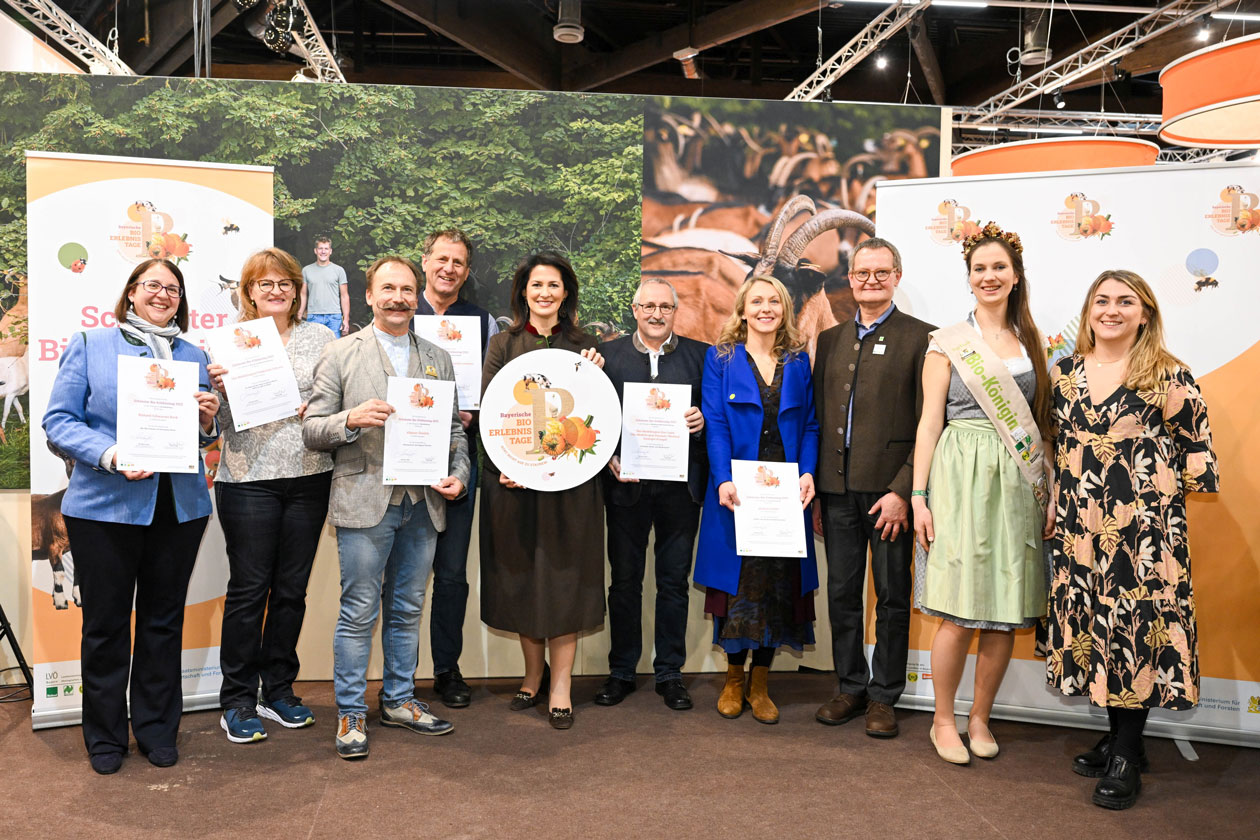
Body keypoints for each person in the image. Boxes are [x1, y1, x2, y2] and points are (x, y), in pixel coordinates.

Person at [1046, 270, 1217, 810]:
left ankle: (1125, 753)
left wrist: (1156, 512)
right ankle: (1125, 738)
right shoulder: (1064, 374)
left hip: (1143, 535)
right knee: (1096, 626)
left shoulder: (1170, 376)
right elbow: (1058, 449)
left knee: (1136, 628)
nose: (1112, 310)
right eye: (1102, 300)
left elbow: (1197, 457)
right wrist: (1055, 501)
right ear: (1088, 309)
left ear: (1145, 313)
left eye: (1125, 301)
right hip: (1079, 528)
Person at [43, 259, 220, 775]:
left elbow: (204, 436)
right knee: (105, 626)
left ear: (181, 299)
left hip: (178, 508)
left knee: (164, 624)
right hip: (103, 508)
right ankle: (104, 737)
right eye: (152, 286)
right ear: (132, 293)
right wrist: (113, 454)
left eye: (172, 287)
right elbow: (58, 421)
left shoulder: (194, 355)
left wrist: (208, 422)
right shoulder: (91, 344)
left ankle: (158, 730)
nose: (162, 294)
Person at [303, 255, 469, 760]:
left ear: (417, 296)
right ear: (370, 296)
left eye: (407, 289)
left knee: (407, 608)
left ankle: (398, 699)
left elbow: (456, 431)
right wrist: (351, 418)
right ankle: (352, 710)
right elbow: (312, 428)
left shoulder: (439, 356)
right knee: (358, 611)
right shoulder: (339, 353)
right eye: (388, 289)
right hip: (364, 500)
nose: (399, 297)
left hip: (423, 504)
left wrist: (459, 476)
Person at [911, 222, 1054, 766]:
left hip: (1018, 480)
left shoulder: (1033, 344)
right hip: (960, 474)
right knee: (960, 608)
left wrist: (1052, 487)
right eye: (979, 269)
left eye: (999, 267)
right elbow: (928, 423)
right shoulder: (947, 343)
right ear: (968, 279)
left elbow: (1041, 426)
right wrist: (919, 495)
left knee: (1006, 604)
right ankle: (943, 720)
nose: (989, 276)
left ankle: (980, 717)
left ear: (1015, 276)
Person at [207, 248, 336, 744]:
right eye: (265, 284)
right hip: (247, 480)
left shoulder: (323, 338)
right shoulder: (226, 345)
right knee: (248, 592)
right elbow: (210, 424)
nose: (276, 291)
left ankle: (278, 689)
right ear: (249, 292)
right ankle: (238, 699)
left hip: (309, 476)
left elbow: (336, 404)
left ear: (298, 291)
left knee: (291, 591)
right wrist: (215, 391)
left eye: (285, 283)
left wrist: (318, 409)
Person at [478, 251, 605, 730]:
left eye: (554, 285)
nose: (545, 293)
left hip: (571, 489)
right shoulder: (502, 344)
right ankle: (532, 678)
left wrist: (595, 370)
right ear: (523, 292)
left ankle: (561, 687)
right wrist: (503, 467)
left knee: (566, 583)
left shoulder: (587, 346)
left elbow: (599, 418)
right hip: (515, 488)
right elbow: (491, 417)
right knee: (524, 582)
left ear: (565, 292)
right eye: (536, 286)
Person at [813, 237, 933, 738]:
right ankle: (849, 686)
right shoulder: (831, 339)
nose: (870, 281)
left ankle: (884, 696)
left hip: (889, 496)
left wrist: (904, 490)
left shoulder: (923, 338)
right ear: (850, 279)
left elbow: (931, 421)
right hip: (837, 493)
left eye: (881, 273)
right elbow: (821, 417)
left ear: (897, 277)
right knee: (841, 594)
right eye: (862, 273)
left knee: (891, 596)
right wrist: (819, 488)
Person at [694, 274, 819, 725]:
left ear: (784, 309)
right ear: (743, 309)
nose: (766, 308)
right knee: (737, 587)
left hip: (785, 496)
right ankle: (732, 679)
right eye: (757, 301)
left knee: (777, 587)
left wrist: (807, 473)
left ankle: (761, 683)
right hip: (737, 495)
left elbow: (809, 426)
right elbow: (716, 423)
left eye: (774, 301)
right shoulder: (720, 357)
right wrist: (722, 479)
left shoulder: (800, 361)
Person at [595, 278, 708, 711]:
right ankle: (622, 670)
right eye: (648, 306)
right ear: (634, 309)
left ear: (675, 311)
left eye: (665, 306)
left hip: (681, 491)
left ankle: (669, 673)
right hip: (627, 489)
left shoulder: (701, 356)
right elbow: (593, 418)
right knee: (624, 584)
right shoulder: (609, 356)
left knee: (673, 584)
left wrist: (703, 425)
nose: (657, 313)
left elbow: (717, 418)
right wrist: (608, 458)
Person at [415, 229, 499, 708]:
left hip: (458, 459)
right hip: (404, 459)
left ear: (467, 273)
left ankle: (447, 669)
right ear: (425, 262)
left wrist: (476, 411)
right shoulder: (401, 312)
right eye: (441, 259)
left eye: (459, 262)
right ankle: (399, 673)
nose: (449, 268)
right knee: (401, 574)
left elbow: (493, 392)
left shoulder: (482, 321)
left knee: (450, 574)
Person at [299, 235, 350, 336]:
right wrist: (299, 313)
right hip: (313, 316)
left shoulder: (339, 270)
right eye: (320, 248)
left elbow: (344, 296)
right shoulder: (306, 270)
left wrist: (346, 319)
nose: (323, 251)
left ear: (330, 251)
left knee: (334, 349)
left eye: (326, 248)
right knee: (315, 348)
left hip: (334, 317)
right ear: (315, 251)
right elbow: (303, 294)